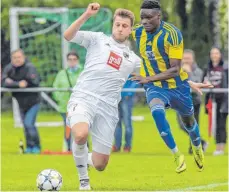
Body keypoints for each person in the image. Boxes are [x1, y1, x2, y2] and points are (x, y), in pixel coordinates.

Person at [64, 3, 141, 190]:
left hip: (108, 108)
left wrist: (188, 83)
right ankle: (84, 182)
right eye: (118, 24)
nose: (120, 28)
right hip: (84, 97)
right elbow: (68, 35)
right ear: (113, 25)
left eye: (124, 26)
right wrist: (86, 15)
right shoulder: (97, 39)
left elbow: (157, 77)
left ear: (130, 30)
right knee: (80, 135)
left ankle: (81, 158)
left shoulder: (133, 60)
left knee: (99, 164)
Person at [130, 0, 212, 173]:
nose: (145, 21)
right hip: (155, 87)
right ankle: (176, 155)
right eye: (142, 17)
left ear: (159, 16)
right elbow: (119, 34)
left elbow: (175, 69)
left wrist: (148, 78)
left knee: (189, 123)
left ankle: (197, 146)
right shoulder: (137, 32)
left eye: (149, 18)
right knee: (156, 111)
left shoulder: (172, 34)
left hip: (177, 87)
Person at [2, 49, 41, 154]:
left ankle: (36, 146)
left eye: (19, 57)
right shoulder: (9, 68)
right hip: (20, 102)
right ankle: (29, 147)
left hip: (33, 102)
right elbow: (4, 82)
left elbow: (34, 81)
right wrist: (18, 84)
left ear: (23, 57)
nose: (17, 60)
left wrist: (14, 82)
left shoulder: (30, 67)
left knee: (29, 124)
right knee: (25, 125)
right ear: (11, 59)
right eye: (14, 58)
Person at [177, 49, 208, 154]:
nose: (186, 61)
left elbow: (196, 84)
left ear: (193, 59)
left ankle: (194, 148)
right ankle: (201, 142)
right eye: (184, 58)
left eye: (188, 58)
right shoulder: (178, 69)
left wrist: (188, 72)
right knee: (182, 125)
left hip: (194, 100)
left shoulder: (198, 71)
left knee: (193, 124)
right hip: (181, 101)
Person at [53, 51, 83, 152]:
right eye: (70, 60)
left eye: (74, 59)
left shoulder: (83, 72)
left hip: (80, 106)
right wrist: (61, 99)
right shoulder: (62, 74)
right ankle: (69, 149)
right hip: (65, 106)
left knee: (81, 128)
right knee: (68, 129)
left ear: (78, 60)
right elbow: (55, 89)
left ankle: (83, 149)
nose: (72, 62)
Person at [203, 47, 228, 155]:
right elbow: (202, 82)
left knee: (221, 124)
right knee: (214, 125)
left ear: (220, 55)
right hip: (212, 101)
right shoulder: (207, 68)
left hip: (224, 100)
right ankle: (217, 146)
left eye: (216, 53)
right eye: (212, 53)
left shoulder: (225, 68)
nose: (214, 55)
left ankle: (220, 148)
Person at [112, 77, 138, 152]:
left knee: (127, 123)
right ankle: (117, 145)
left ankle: (127, 146)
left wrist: (129, 93)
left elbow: (135, 81)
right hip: (116, 97)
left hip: (126, 97)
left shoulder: (131, 67)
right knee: (117, 122)